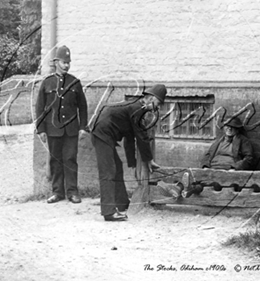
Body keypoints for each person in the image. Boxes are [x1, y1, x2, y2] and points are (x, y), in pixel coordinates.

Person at [90, 84, 167, 222]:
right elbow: (141, 136)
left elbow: (130, 138)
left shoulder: (136, 107)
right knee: (108, 172)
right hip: (102, 134)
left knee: (117, 168)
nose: (157, 107)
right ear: (150, 98)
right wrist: (149, 160)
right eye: (158, 103)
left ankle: (122, 203)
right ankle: (108, 212)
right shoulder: (137, 109)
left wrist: (132, 162)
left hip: (106, 134)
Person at [35, 46, 88, 204]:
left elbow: (83, 107)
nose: (66, 65)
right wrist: (41, 129)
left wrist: (83, 127)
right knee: (55, 160)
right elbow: (40, 107)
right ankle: (57, 192)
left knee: (70, 159)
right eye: (64, 62)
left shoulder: (75, 83)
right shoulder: (47, 82)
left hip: (71, 130)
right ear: (56, 62)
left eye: (68, 63)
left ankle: (72, 192)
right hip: (53, 130)